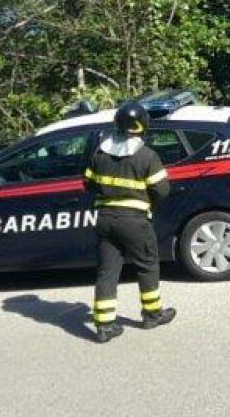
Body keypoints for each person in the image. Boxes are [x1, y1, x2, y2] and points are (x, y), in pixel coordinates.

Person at [84, 102, 176, 343]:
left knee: (107, 271)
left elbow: (88, 184)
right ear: (141, 126)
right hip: (134, 221)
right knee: (147, 265)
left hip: (104, 219)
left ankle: (104, 326)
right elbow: (162, 190)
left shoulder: (99, 153)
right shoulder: (147, 155)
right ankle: (152, 314)